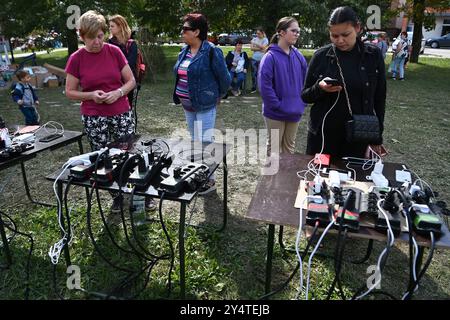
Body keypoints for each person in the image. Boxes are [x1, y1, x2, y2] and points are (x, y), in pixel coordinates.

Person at [64, 11, 142, 211]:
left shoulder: (114, 51)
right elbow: (70, 91)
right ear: (82, 36)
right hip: (94, 117)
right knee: (104, 157)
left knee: (128, 153)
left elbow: (131, 81)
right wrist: (91, 95)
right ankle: (116, 194)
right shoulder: (76, 58)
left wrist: (118, 92)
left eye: (100, 36)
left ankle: (136, 192)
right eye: (91, 38)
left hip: (121, 112)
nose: (97, 42)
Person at [301, 6, 386, 158]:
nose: (340, 40)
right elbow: (305, 96)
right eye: (334, 36)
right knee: (319, 179)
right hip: (323, 136)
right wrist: (319, 88)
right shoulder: (321, 56)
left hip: (358, 135)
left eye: (346, 34)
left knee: (355, 179)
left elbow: (379, 99)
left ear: (358, 28)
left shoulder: (373, 56)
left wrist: (376, 137)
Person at [173, 13, 231, 194]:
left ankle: (210, 181)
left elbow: (225, 79)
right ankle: (198, 175)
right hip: (187, 106)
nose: (182, 32)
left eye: (185, 29)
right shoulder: (184, 50)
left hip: (205, 105)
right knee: (195, 142)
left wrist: (217, 96)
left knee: (205, 142)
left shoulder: (212, 51)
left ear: (197, 31)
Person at [258, 17, 308, 155]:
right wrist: (277, 106)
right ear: (281, 32)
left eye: (298, 31)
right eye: (293, 31)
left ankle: (285, 177)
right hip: (275, 113)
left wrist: (301, 103)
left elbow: (306, 81)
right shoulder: (270, 57)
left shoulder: (298, 56)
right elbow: (265, 87)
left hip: (295, 112)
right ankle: (272, 177)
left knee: (289, 150)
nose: (297, 34)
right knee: (273, 150)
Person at [108, 15, 138, 108]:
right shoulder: (110, 43)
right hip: (113, 81)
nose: (110, 28)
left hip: (128, 82)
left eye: (112, 26)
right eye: (110, 26)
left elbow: (131, 64)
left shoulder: (131, 44)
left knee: (127, 108)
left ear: (120, 26)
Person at [250, 27, 269, 93]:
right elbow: (252, 49)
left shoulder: (265, 39)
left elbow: (264, 47)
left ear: (262, 33)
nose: (258, 35)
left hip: (262, 59)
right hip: (254, 59)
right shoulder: (254, 39)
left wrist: (255, 44)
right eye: (257, 33)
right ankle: (254, 87)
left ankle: (263, 88)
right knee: (254, 74)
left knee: (262, 74)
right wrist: (261, 48)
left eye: (259, 33)